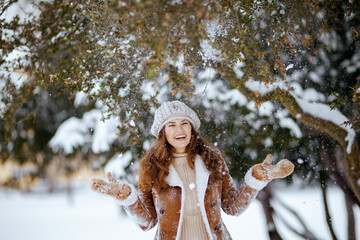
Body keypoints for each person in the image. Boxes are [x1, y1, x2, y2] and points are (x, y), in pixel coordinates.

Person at [91, 100, 294, 240]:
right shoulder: (151, 166)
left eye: (184, 123)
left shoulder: (212, 158)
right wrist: (127, 198)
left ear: (192, 128)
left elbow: (233, 207)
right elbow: (148, 222)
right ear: (163, 133)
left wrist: (256, 180)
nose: (179, 130)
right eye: (171, 125)